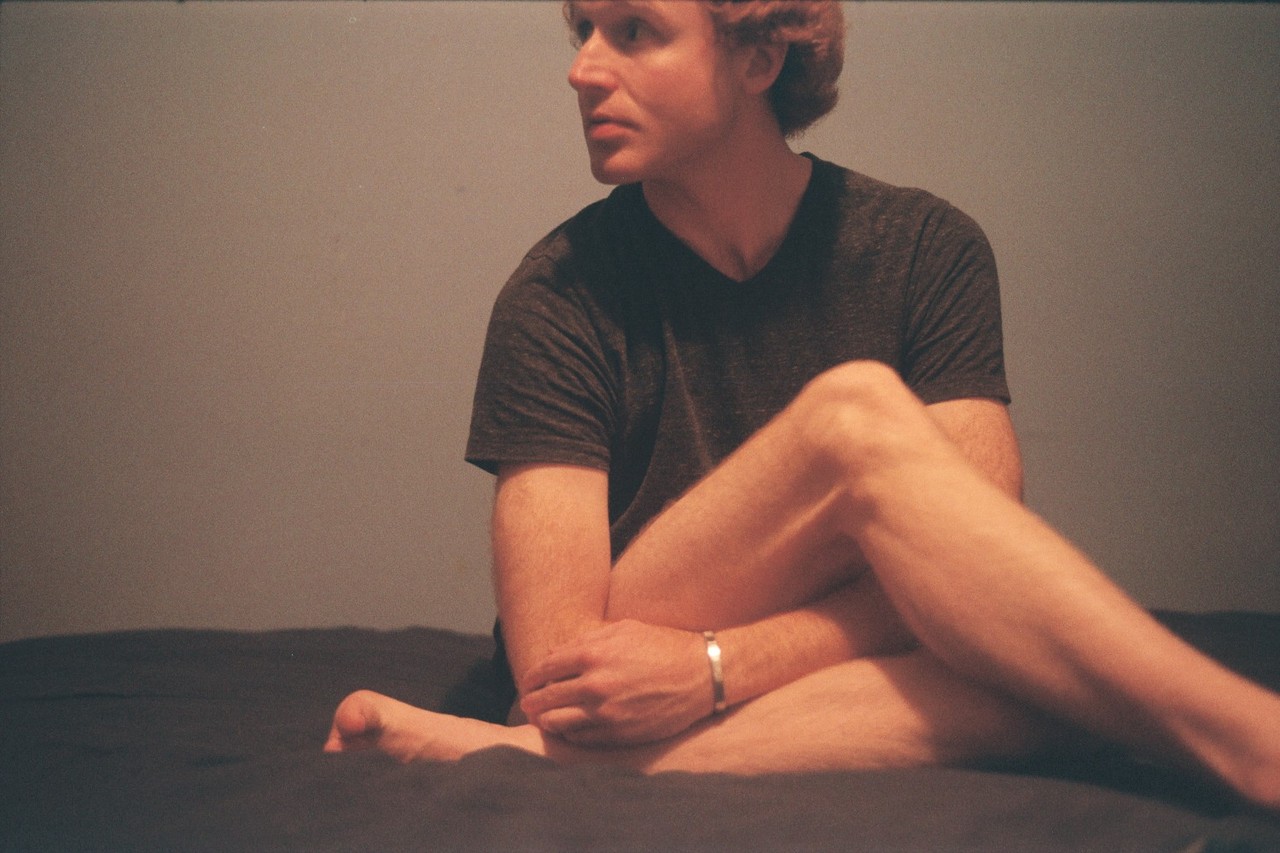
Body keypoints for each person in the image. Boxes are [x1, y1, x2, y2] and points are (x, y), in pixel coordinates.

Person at [326, 0, 1280, 809]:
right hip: (618, 654)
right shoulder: (557, 296)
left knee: (1050, 686)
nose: (582, 70)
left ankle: (527, 764)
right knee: (855, 420)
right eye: (584, 31)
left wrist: (718, 669)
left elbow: (982, 569)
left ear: (758, 57)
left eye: (634, 30)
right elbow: (560, 670)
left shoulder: (925, 250)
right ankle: (1256, 743)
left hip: (711, 678)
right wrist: (709, 661)